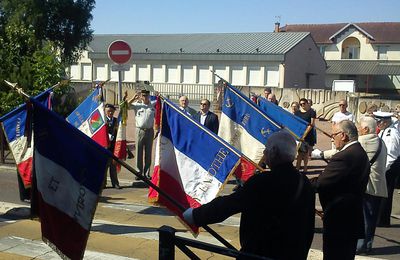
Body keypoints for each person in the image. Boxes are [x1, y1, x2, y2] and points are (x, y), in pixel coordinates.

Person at [183, 131, 315, 259]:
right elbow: (309, 228)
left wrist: (195, 216)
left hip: (260, 253)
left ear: (274, 151)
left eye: (266, 149)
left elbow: (228, 205)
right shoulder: (305, 183)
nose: (264, 153)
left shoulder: (263, 182)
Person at [310, 120, 370, 260]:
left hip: (340, 223)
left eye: (334, 134)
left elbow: (321, 183)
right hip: (350, 220)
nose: (332, 138)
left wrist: (299, 182)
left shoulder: (345, 156)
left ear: (343, 135)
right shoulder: (359, 151)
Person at [356, 116, 388, 254]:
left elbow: (344, 151)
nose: (358, 130)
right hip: (379, 186)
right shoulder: (381, 141)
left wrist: (320, 154)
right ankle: (367, 245)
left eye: (360, 127)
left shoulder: (363, 140)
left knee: (364, 218)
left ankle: (361, 247)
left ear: (366, 129)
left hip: (368, 186)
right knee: (371, 219)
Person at [374, 111, 400, 227]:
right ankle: (380, 218)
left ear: (385, 122)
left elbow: (392, 156)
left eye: (378, 121)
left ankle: (383, 220)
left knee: (386, 194)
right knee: (382, 193)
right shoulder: (385, 131)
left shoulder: (392, 134)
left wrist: (382, 170)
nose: (377, 124)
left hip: (390, 167)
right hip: (386, 166)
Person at [128, 89, 158, 181]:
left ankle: (147, 173)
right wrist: (133, 98)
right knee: (139, 152)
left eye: (147, 95)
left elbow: (162, 103)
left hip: (149, 131)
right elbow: (126, 105)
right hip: (139, 131)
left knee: (148, 153)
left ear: (149, 96)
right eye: (143, 95)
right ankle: (138, 172)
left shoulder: (153, 104)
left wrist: (159, 96)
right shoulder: (137, 105)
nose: (145, 97)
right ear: (141, 96)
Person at [294, 98, 316, 172]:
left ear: (307, 104)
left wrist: (305, 133)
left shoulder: (311, 112)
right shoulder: (297, 113)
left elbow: (312, 124)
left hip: (308, 135)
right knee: (299, 152)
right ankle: (297, 167)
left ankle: (305, 167)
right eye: (301, 104)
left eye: (304, 103)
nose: (302, 105)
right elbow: (296, 123)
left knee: (305, 153)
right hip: (299, 134)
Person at [104, 104, 121, 189]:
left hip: (113, 146)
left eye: (112, 111)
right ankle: (103, 184)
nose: (110, 112)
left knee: (113, 165)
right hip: (104, 146)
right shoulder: (102, 120)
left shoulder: (116, 120)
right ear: (105, 111)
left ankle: (115, 183)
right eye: (108, 111)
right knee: (104, 166)